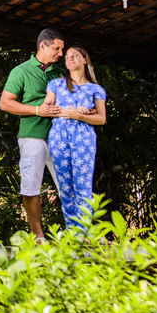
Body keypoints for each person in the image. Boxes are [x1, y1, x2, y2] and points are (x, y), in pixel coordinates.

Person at [0, 28, 65, 242]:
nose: (61, 54)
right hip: (32, 136)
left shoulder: (59, 73)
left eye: (62, 49)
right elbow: (5, 103)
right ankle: (38, 236)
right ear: (43, 46)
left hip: (59, 137)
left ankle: (81, 233)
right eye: (57, 48)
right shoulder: (21, 71)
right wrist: (38, 110)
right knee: (30, 185)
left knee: (69, 184)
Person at [44, 46, 106, 231]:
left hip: (83, 138)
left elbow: (101, 118)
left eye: (75, 56)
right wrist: (70, 111)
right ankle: (73, 233)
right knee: (65, 186)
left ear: (85, 60)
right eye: (67, 57)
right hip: (58, 137)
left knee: (83, 185)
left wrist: (80, 116)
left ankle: (85, 232)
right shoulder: (56, 84)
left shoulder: (95, 89)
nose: (70, 59)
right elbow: (47, 109)